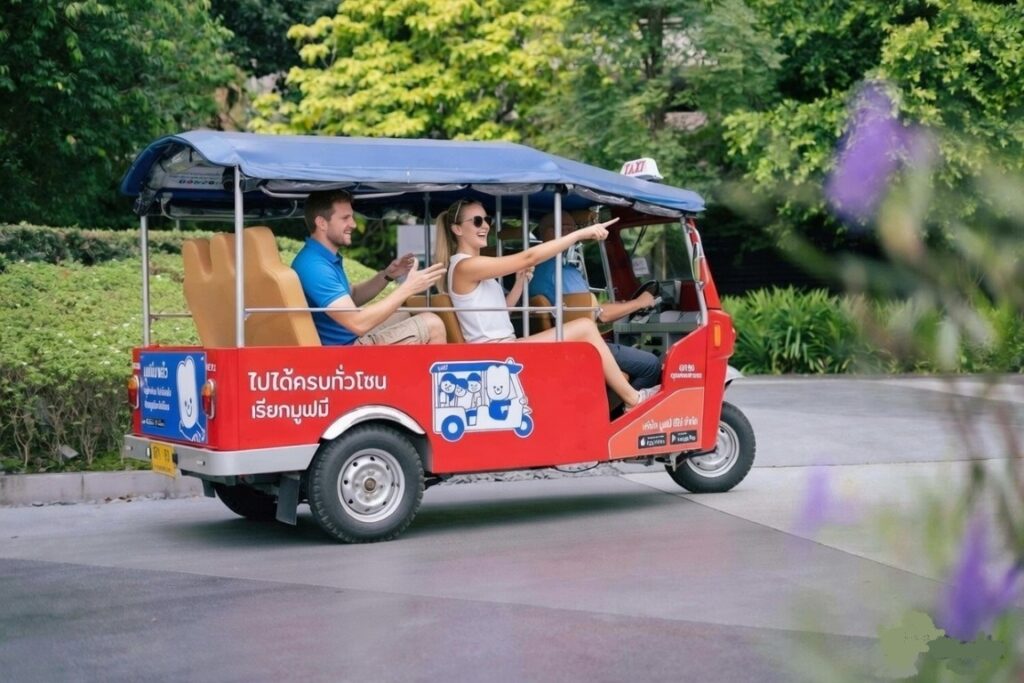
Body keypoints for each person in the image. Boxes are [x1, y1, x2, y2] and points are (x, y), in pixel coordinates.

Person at [434, 199, 659, 411]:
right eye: (477, 221)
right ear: (457, 229)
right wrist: (580, 234)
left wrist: (520, 283)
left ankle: (621, 402)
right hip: (496, 352)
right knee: (585, 326)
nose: (485, 226)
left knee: (583, 329)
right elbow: (529, 257)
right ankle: (633, 399)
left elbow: (502, 311)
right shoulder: (467, 266)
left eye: (487, 220)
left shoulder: (472, 266)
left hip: (503, 345)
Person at [292, 189, 447, 346]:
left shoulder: (320, 257)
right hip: (345, 351)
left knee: (407, 313)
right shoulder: (314, 266)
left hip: (349, 337)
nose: (353, 224)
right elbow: (357, 324)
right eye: (345, 218)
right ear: (321, 223)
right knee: (433, 324)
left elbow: (351, 296)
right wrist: (408, 288)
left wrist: (387, 275)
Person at [532, 211, 661, 390]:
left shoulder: (536, 269)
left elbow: (585, 305)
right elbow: (601, 315)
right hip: (579, 345)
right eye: (565, 228)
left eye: (572, 228)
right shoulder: (562, 271)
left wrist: (623, 306)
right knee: (651, 365)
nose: (571, 233)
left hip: (559, 342)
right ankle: (626, 412)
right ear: (546, 232)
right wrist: (639, 303)